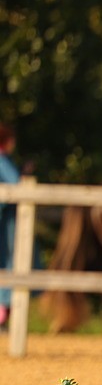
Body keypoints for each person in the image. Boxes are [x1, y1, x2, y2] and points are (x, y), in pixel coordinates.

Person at [0, 122, 19, 328]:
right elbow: (15, 185)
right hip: (4, 223)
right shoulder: (2, 160)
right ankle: (2, 315)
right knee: (8, 263)